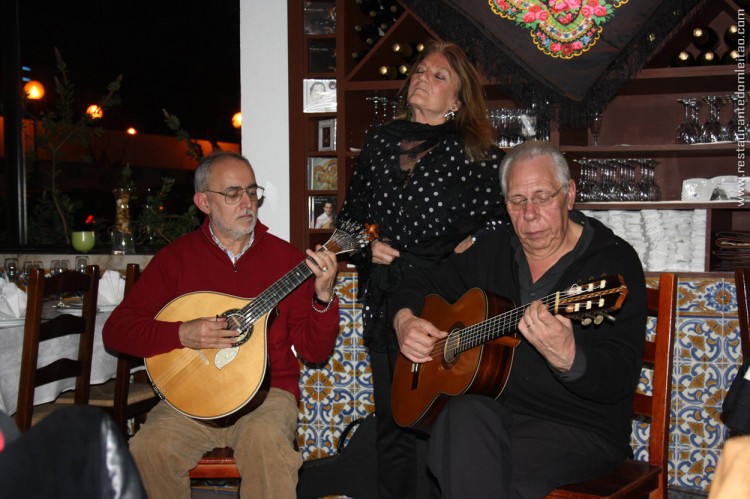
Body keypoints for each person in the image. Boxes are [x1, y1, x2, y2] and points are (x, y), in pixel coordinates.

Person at [390, 140, 648, 497]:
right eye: (517, 201)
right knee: (460, 420)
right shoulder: (494, 250)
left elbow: (618, 377)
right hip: (495, 419)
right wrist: (404, 320)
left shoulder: (612, 265)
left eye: (542, 197)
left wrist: (570, 359)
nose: (529, 214)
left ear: (569, 195)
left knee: (470, 467)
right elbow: (419, 282)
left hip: (578, 429)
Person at [103, 150, 341, 499]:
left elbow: (315, 350)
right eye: (233, 194)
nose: (247, 202)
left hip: (266, 397)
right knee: (149, 448)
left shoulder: (288, 260)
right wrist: (182, 333)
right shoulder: (175, 259)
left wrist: (323, 297)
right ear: (204, 202)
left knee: (266, 445)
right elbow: (117, 331)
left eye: (252, 192)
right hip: (190, 400)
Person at [336, 40, 507, 498]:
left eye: (438, 76)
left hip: (442, 297)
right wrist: (366, 247)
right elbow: (348, 222)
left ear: (458, 99)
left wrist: (477, 240)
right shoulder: (378, 142)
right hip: (386, 296)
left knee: (438, 421)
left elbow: (508, 216)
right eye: (418, 71)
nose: (421, 79)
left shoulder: (475, 151)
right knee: (393, 421)